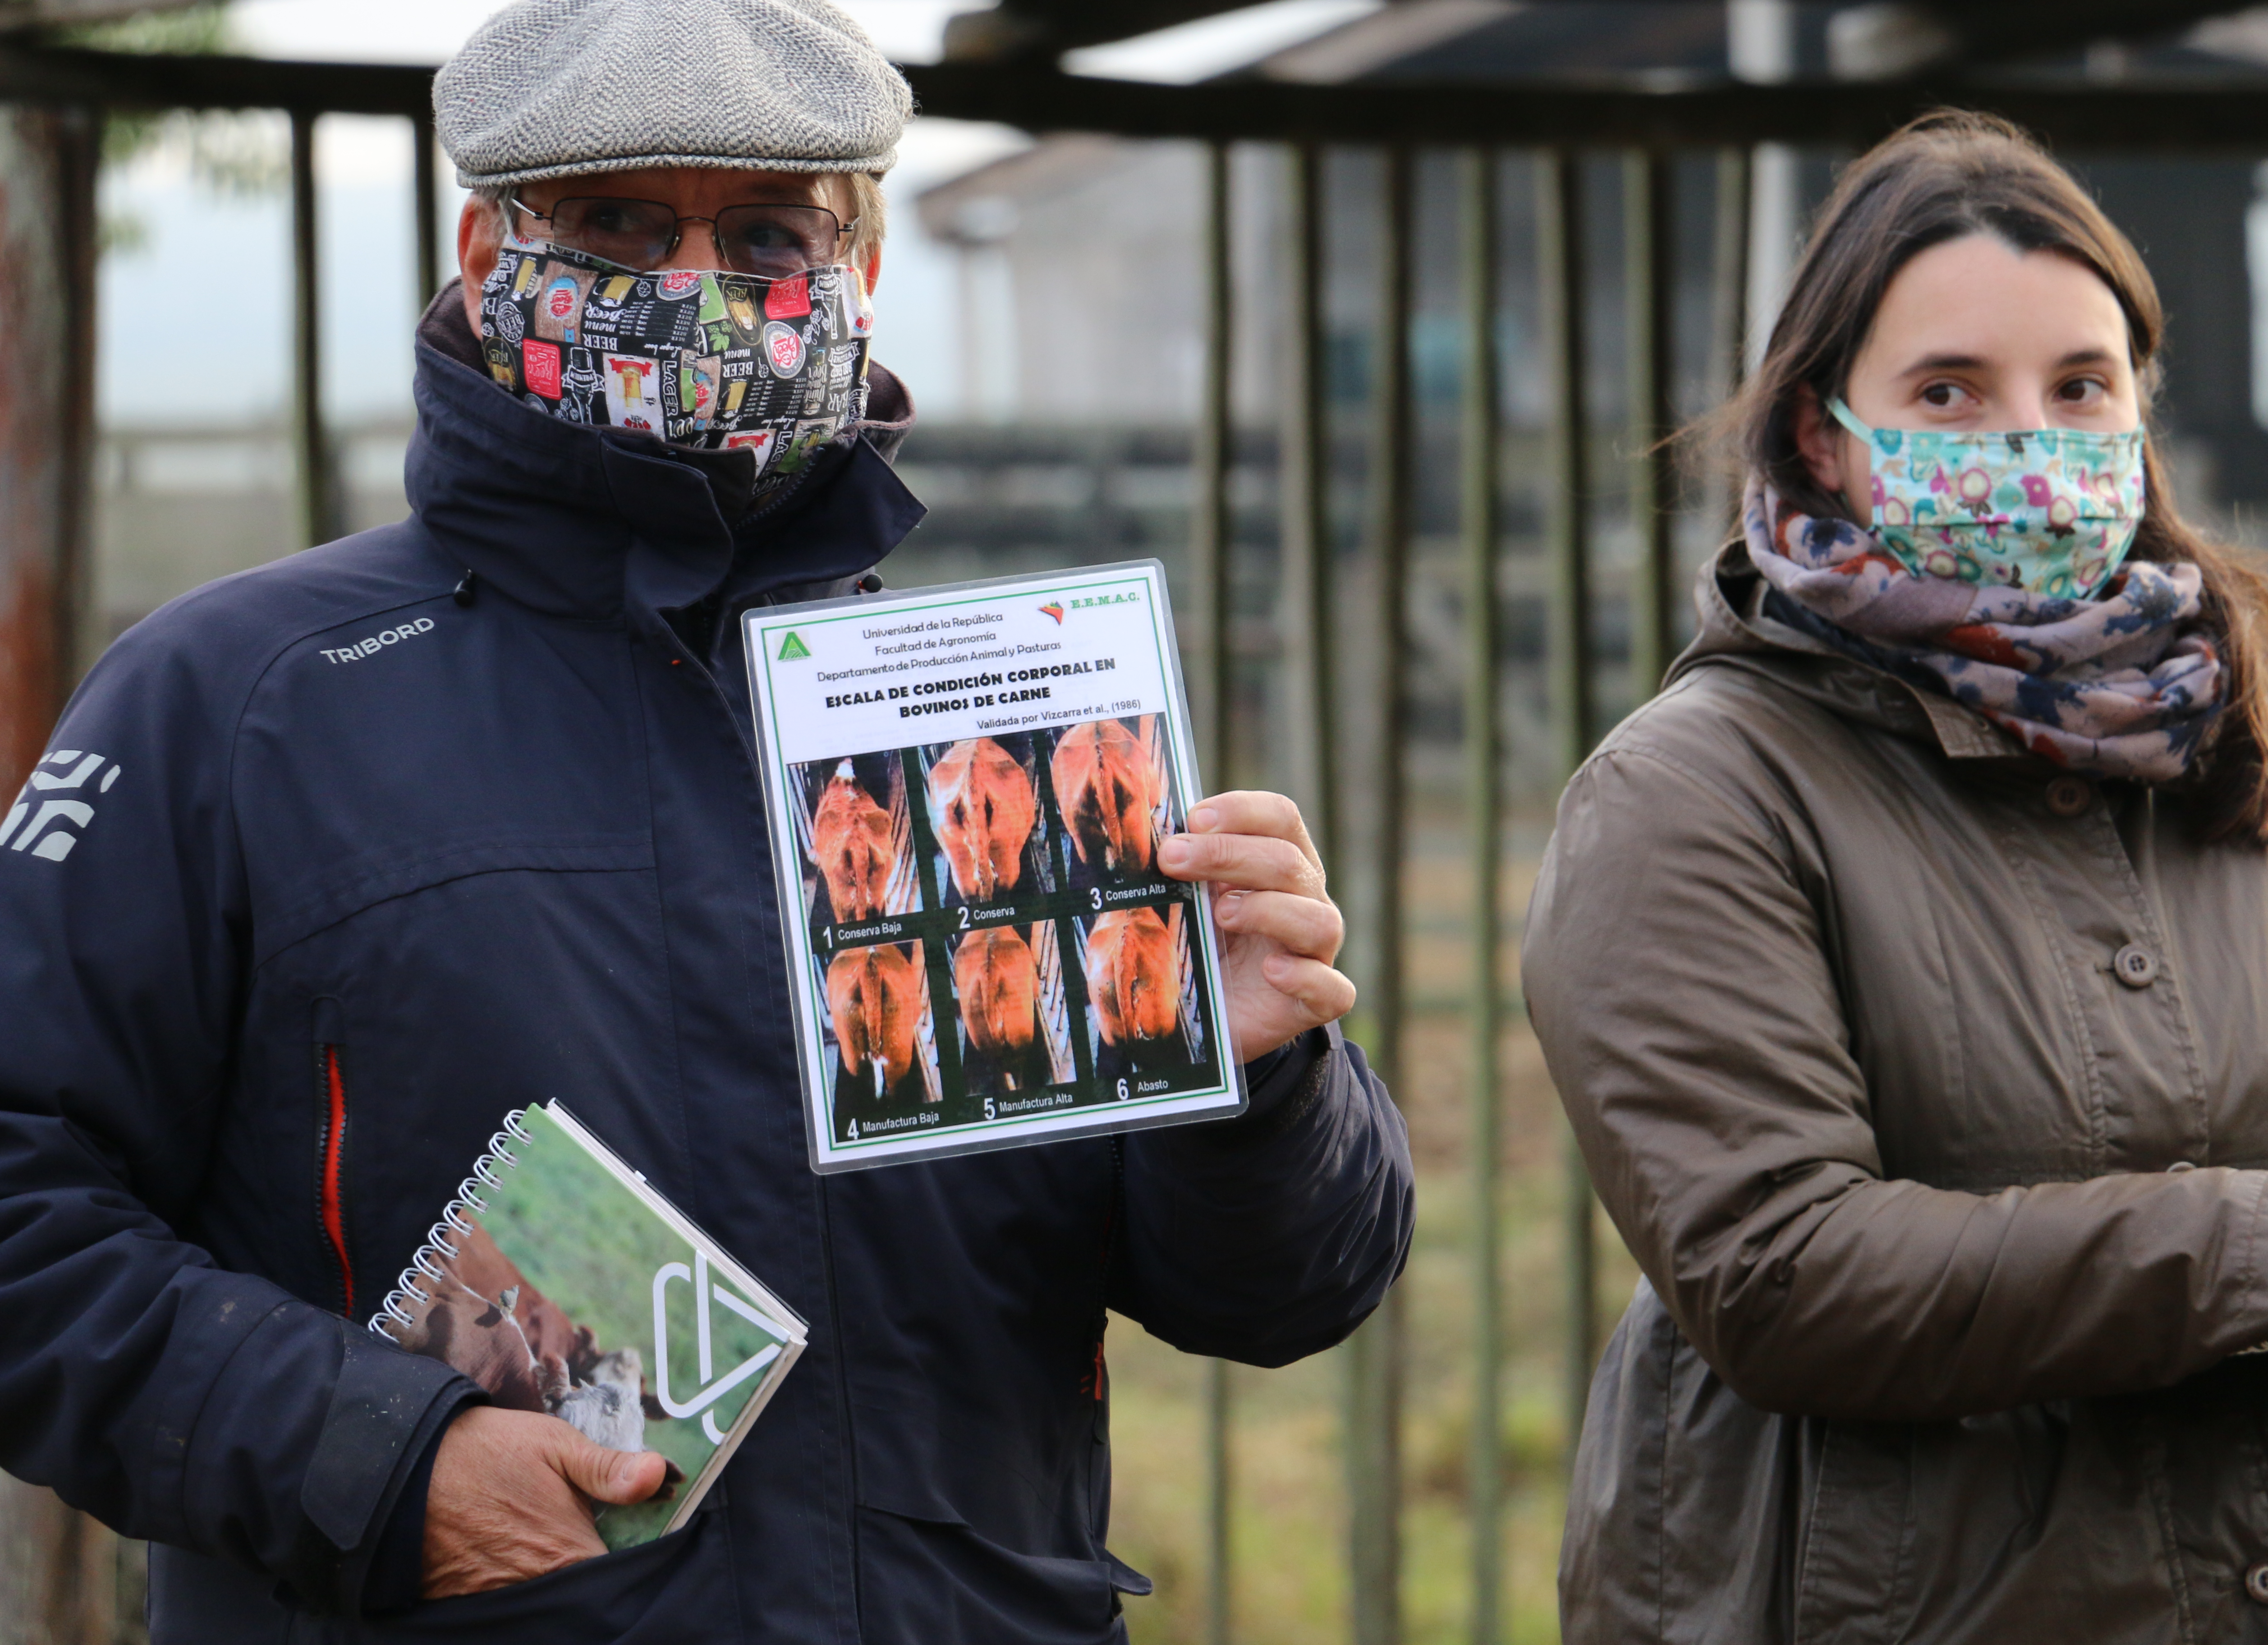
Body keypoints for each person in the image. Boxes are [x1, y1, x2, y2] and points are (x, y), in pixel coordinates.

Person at [0, 2, 1413, 1640]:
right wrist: (378, 1466)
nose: (694, 289)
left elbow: (1285, 1294)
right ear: (483, 242)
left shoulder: (992, 725)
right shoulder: (243, 701)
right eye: (614, 223)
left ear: (860, 270)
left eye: (764, 234)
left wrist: (1246, 1087)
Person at [1524, 111, 2268, 1643]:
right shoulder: (1691, 797)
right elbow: (1782, 1270)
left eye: (2080, 389)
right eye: (1950, 394)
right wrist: (2263, 1255)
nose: (2030, 445)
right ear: (1824, 432)